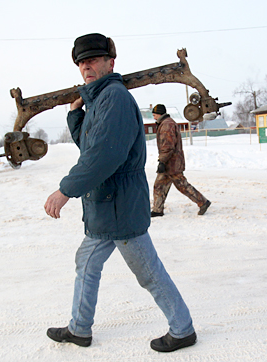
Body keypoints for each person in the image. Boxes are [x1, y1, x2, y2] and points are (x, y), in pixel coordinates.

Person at [43, 33, 196, 353]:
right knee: (85, 264)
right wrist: (75, 114)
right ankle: (79, 328)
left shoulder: (115, 98)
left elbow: (103, 156)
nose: (86, 66)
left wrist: (65, 191)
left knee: (148, 273)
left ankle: (182, 329)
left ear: (110, 63)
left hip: (120, 207)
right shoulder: (100, 100)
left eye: (93, 60)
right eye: (81, 62)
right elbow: (90, 145)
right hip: (104, 208)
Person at [151, 104, 211, 217]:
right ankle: (157, 210)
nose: (153, 117)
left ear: (159, 114)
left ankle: (203, 202)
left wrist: (162, 162)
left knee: (182, 186)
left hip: (171, 164)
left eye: (154, 115)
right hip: (171, 162)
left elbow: (167, 146)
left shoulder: (166, 125)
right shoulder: (166, 123)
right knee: (159, 186)